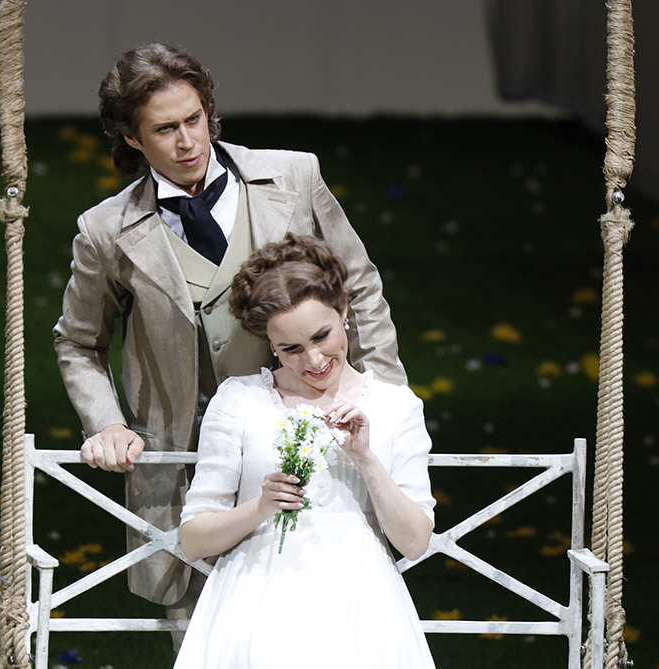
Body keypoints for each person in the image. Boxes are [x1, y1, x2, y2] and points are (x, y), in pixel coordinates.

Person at [53, 42, 407, 639]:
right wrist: (105, 423)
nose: (188, 141)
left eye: (194, 120)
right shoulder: (106, 229)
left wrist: (385, 395)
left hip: (305, 432)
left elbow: (359, 285)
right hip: (183, 457)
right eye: (165, 130)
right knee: (199, 629)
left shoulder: (293, 178)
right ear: (133, 139)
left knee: (328, 615)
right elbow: (78, 341)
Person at [175, 234, 436, 668]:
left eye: (322, 336)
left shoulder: (396, 406)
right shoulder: (239, 400)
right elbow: (193, 539)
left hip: (361, 608)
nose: (314, 360)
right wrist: (261, 506)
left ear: (345, 309)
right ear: (269, 344)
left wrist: (367, 459)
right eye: (291, 349)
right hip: (256, 601)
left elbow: (414, 542)